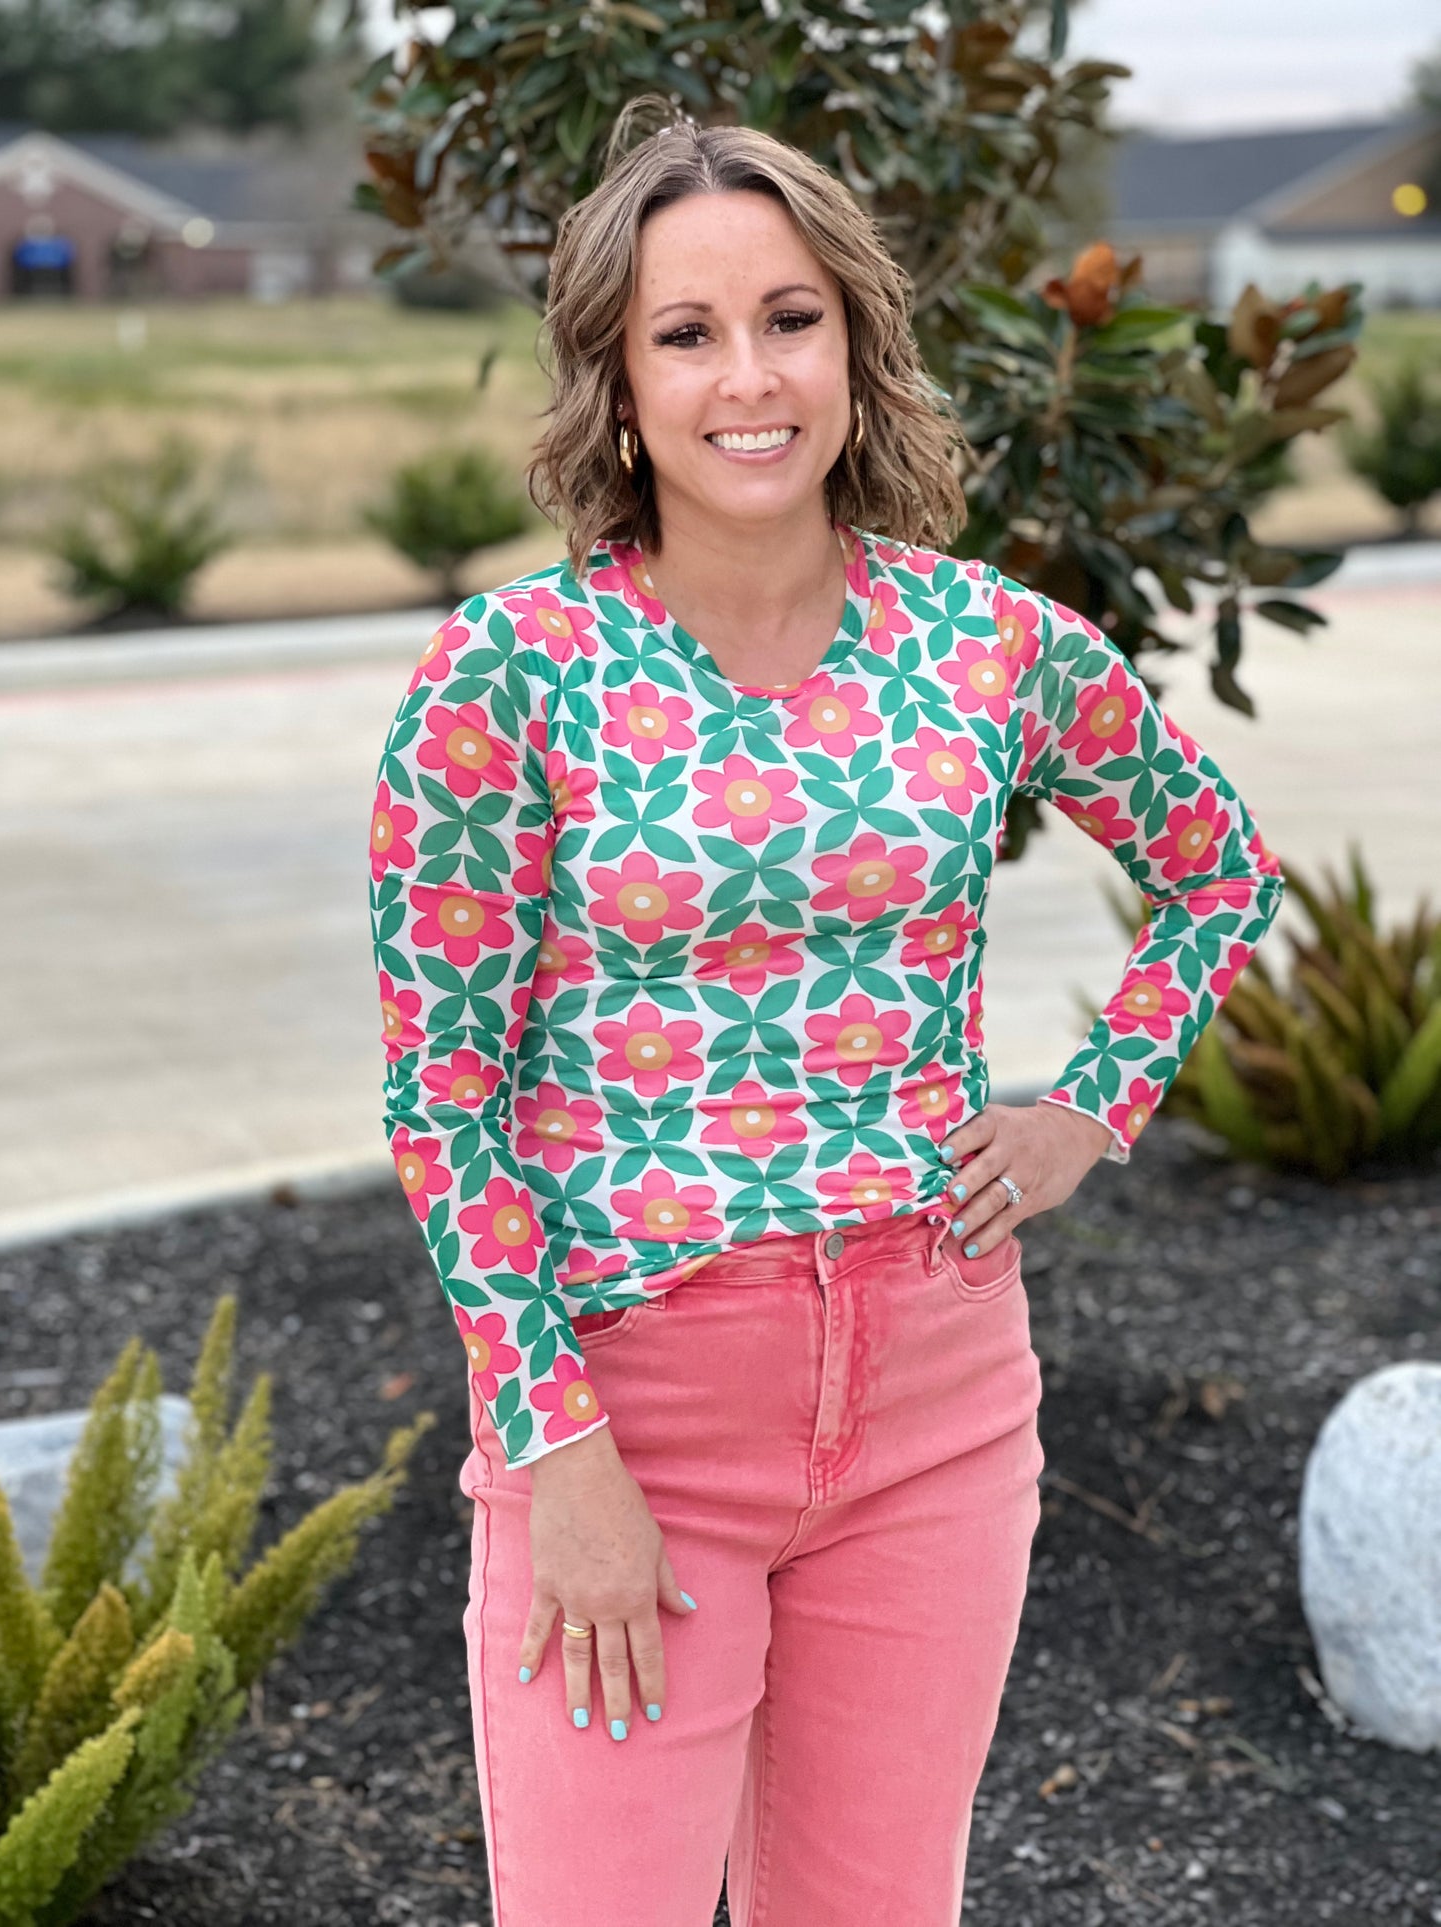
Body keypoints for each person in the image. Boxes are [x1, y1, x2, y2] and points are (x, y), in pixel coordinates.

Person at [367, 95, 1285, 1927]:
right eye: (685, 334)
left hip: (937, 1400)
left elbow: (1217, 872)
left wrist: (1086, 1108)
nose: (747, 378)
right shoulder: (504, 680)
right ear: (615, 388)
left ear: (857, 341)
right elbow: (444, 1104)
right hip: (629, 1402)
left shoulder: (990, 645)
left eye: (789, 317)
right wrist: (556, 1454)